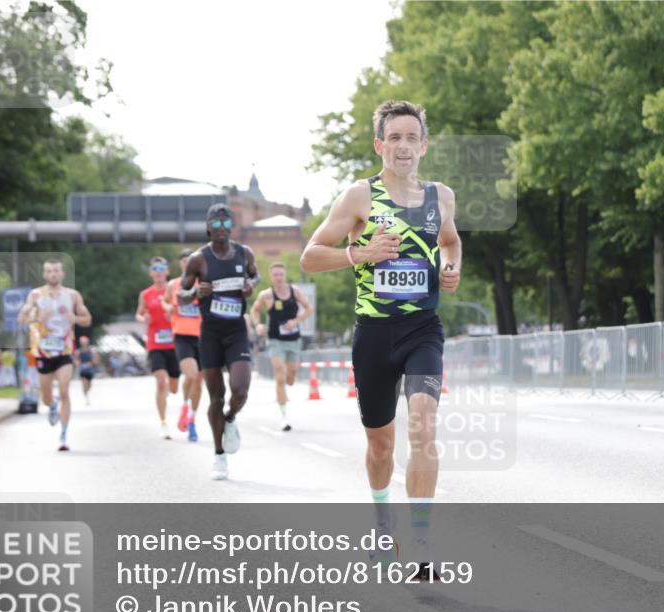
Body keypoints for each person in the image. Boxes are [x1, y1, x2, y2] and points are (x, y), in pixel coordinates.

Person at [300, 100, 461, 577]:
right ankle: (381, 524)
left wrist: (451, 267)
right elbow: (310, 256)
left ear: (424, 145)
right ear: (380, 145)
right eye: (395, 138)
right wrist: (362, 253)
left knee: (423, 426)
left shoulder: (441, 197)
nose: (404, 146)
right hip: (373, 333)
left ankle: (422, 542)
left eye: (412, 137)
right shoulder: (359, 197)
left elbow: (450, 241)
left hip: (422, 330)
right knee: (380, 445)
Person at [179, 203, 259, 480]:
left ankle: (231, 418)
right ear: (208, 226)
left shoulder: (243, 253)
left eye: (227, 224)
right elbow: (181, 294)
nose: (222, 228)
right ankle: (219, 456)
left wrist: (250, 286)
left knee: (240, 390)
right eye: (217, 223)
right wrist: (195, 292)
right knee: (216, 396)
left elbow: (254, 275)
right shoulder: (198, 259)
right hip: (210, 334)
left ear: (231, 226)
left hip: (236, 330)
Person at [18, 259, 93, 451]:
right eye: (49, 271)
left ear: (62, 274)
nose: (53, 274)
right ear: (44, 274)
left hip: (64, 351)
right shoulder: (35, 295)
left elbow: (87, 319)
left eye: (56, 271)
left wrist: (74, 318)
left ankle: (64, 435)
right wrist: (37, 318)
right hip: (43, 352)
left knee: (65, 390)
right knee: (46, 396)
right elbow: (22, 319)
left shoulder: (72, 296)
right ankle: (52, 406)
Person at [249, 263, 314, 431]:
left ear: (285, 275)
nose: (278, 277)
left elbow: (308, 308)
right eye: (275, 275)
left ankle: (289, 380)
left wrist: (296, 321)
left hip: (293, 340)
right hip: (275, 340)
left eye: (281, 274)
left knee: (290, 377)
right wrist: (258, 325)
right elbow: (254, 311)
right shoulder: (267, 295)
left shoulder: (295, 291)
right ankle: (284, 416)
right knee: (280, 373)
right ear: (271, 277)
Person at [136, 256, 181, 439]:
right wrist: (143, 319)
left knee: (174, 387)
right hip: (155, 343)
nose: (158, 271)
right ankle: (164, 423)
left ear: (167, 272)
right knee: (160, 381)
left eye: (162, 268)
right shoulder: (146, 294)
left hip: (175, 343)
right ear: (150, 273)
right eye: (155, 268)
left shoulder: (176, 291)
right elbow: (138, 314)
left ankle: (168, 392)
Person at [164, 248, 204, 442]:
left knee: (199, 381)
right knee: (191, 374)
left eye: (191, 261)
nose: (187, 264)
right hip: (182, 335)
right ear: (180, 264)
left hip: (203, 336)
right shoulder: (174, 284)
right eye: (184, 261)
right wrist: (169, 309)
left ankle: (192, 419)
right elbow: (165, 302)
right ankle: (185, 405)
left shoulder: (203, 284)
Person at [75, 336, 99, 406]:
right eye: (83, 343)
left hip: (90, 370)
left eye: (85, 342)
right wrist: (78, 363)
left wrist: (91, 363)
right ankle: (86, 398)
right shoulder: (78, 352)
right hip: (82, 370)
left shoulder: (91, 351)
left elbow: (95, 360)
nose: (84, 344)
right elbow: (75, 360)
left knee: (89, 386)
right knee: (84, 384)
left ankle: (87, 393)